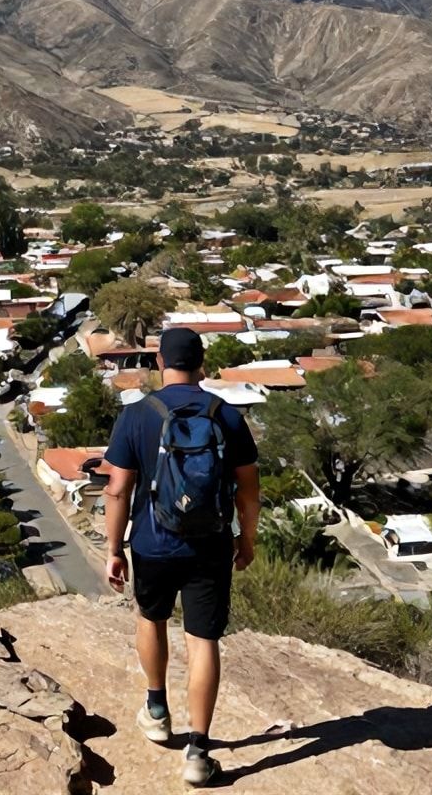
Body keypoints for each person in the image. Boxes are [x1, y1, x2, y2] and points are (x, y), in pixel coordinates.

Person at [103, 326, 260, 787]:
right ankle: (198, 750)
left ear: (158, 362)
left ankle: (156, 710)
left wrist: (114, 549)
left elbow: (116, 489)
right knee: (203, 641)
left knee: (150, 619)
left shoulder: (137, 415)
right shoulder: (226, 415)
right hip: (210, 544)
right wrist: (245, 541)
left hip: (152, 544)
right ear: (202, 364)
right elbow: (249, 493)